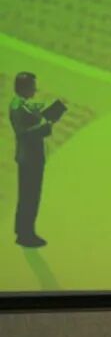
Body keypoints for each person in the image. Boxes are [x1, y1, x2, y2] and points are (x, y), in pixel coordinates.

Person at [9, 72, 59, 247]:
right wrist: (46, 127)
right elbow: (24, 133)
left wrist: (49, 113)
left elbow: (34, 115)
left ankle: (22, 229)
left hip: (29, 157)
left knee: (27, 196)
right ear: (24, 87)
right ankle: (26, 234)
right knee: (30, 197)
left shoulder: (21, 104)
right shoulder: (19, 107)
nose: (35, 90)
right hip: (30, 158)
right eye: (32, 86)